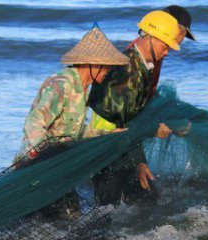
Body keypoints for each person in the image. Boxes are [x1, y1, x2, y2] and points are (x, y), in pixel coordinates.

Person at [17, 25, 129, 218]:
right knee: (61, 218)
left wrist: (107, 134)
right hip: (36, 170)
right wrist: (40, 161)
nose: (109, 71)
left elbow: (74, 132)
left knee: (69, 217)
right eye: (107, 65)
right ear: (92, 63)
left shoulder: (82, 90)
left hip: (58, 168)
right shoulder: (61, 85)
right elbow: (34, 123)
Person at [87, 9, 193, 205]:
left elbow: (132, 118)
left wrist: (140, 159)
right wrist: (140, 161)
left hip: (120, 145)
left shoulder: (143, 66)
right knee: (110, 209)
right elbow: (122, 124)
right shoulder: (128, 70)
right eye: (166, 45)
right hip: (107, 147)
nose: (168, 52)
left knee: (137, 205)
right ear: (150, 37)